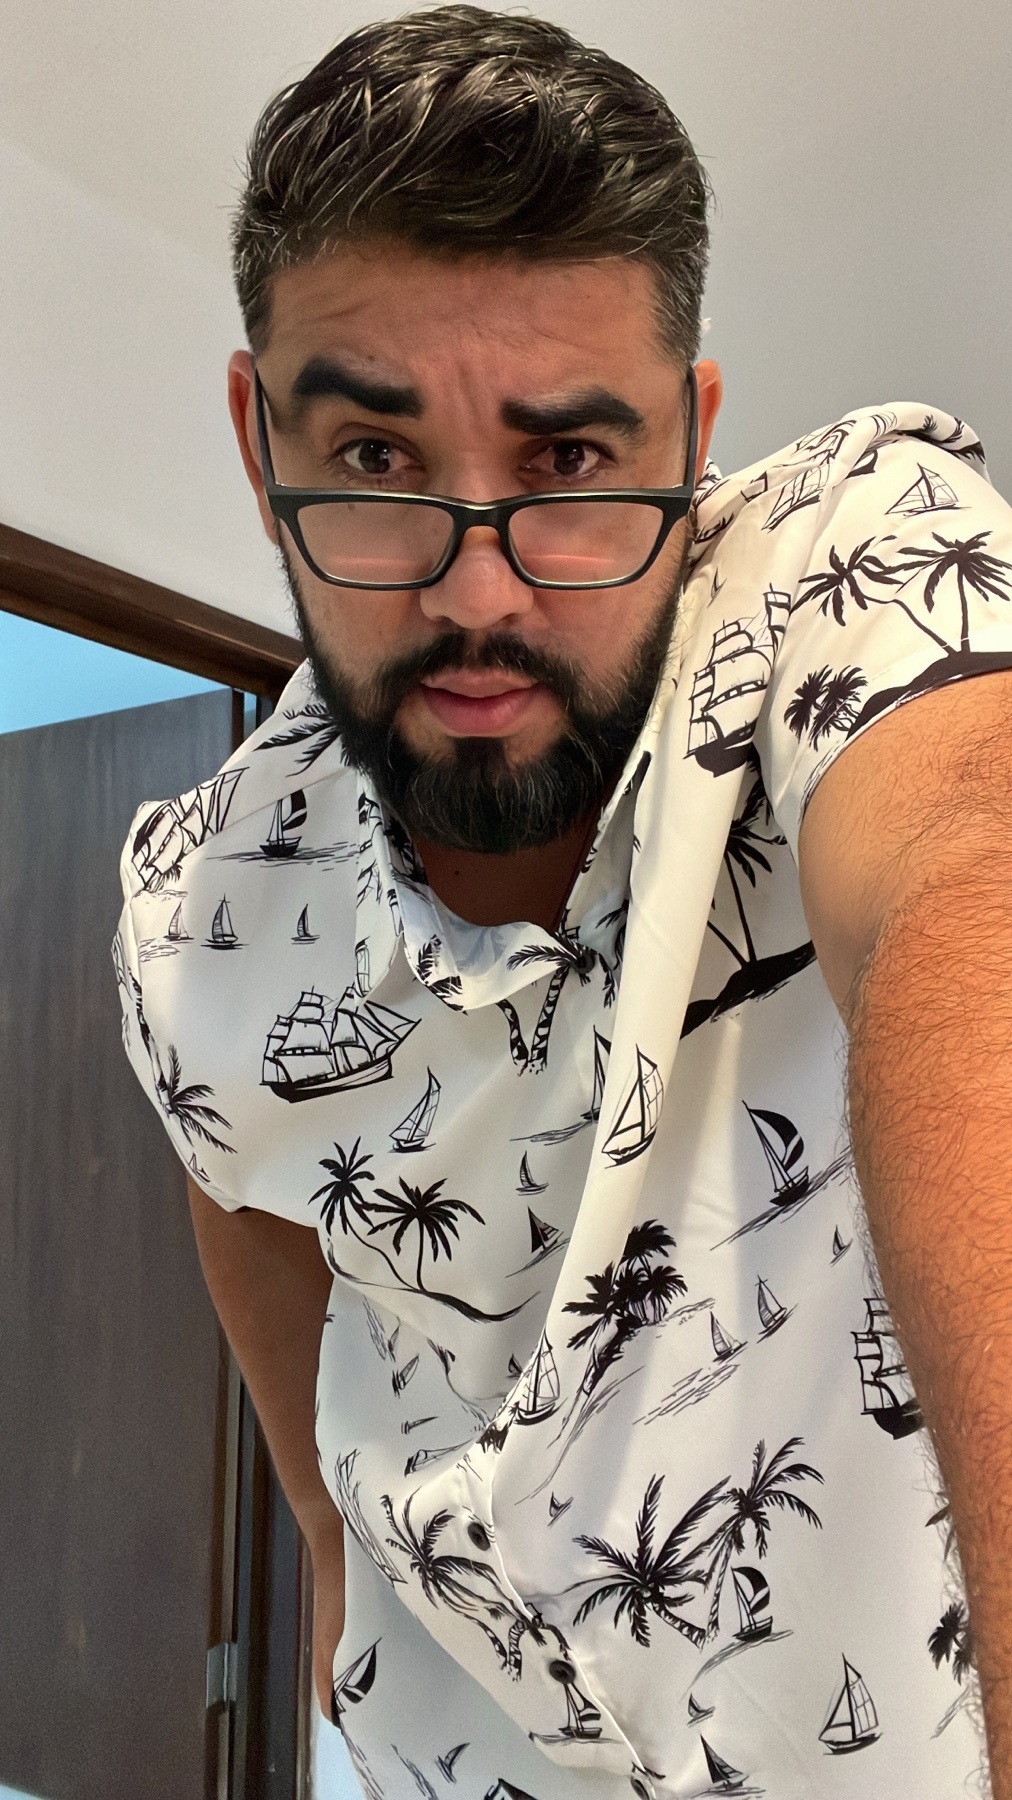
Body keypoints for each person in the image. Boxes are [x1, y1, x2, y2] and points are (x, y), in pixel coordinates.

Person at [115, 8, 1012, 1796]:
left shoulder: (845, 567)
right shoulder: (192, 900)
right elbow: (237, 1162)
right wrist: (328, 1564)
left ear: (690, 433)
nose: (477, 597)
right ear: (259, 441)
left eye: (573, 464)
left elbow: (963, 868)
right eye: (376, 461)